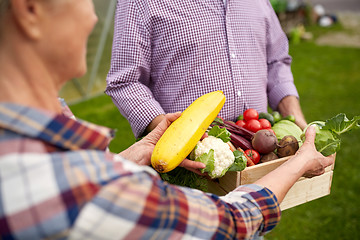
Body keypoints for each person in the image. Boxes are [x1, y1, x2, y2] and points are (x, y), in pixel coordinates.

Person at [0, 0, 334, 239]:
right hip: (191, 178)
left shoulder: (49, 143)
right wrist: (299, 162)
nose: (92, 17)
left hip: (257, 159)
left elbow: (278, 59)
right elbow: (232, 222)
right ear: (29, 9)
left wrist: (125, 159)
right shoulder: (80, 185)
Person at [106, 0, 308, 139]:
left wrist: (293, 115)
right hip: (189, 169)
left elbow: (276, 60)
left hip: (262, 153)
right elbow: (125, 81)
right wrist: (172, 133)